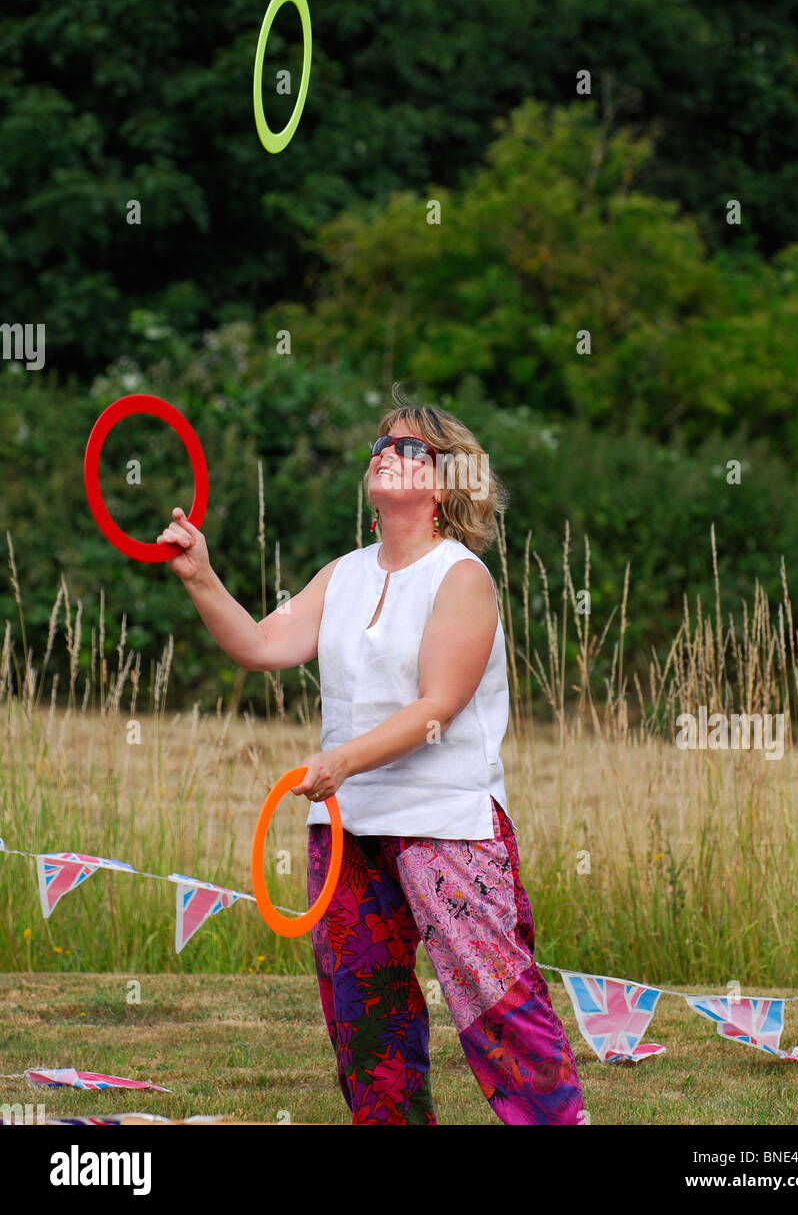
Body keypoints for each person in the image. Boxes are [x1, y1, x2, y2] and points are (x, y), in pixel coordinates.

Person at [158, 397, 587, 1125]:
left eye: (409, 447)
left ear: (447, 482)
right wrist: (199, 573)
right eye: (381, 443)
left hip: (446, 823)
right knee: (364, 1014)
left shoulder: (462, 578)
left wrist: (342, 759)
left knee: (495, 999)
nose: (385, 451)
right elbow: (261, 647)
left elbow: (436, 709)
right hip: (349, 823)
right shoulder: (345, 574)